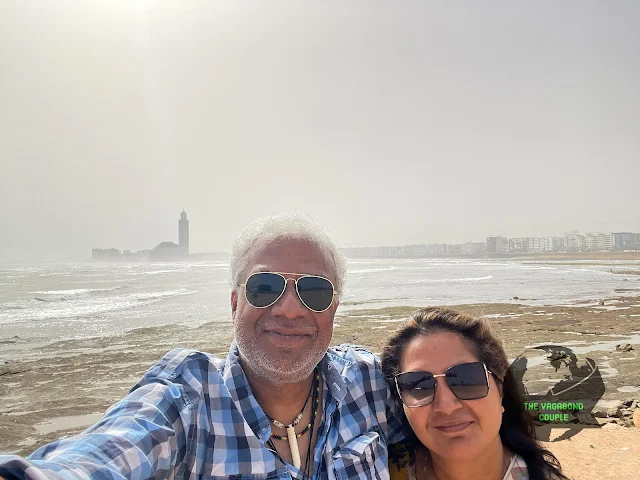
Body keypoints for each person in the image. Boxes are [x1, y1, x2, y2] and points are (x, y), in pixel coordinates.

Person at [0, 213, 403, 480]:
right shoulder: (189, 398)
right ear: (234, 303)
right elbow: (105, 456)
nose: (291, 309)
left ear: (333, 308)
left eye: (314, 291)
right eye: (266, 287)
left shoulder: (365, 382)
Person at [381, 307, 569, 480]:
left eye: (467, 378)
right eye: (419, 385)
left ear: (501, 389)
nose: (446, 406)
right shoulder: (378, 471)